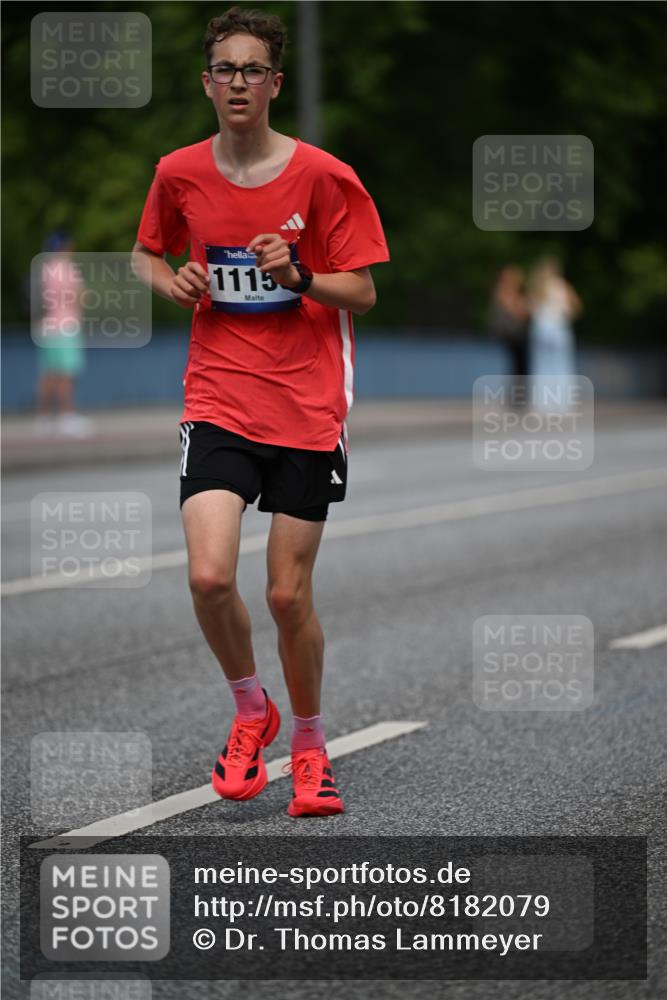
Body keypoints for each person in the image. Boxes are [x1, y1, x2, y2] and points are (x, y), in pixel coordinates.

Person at [132, 7, 389, 816]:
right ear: (206, 82)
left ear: (274, 84)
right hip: (217, 394)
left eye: (253, 70)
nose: (237, 82)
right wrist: (168, 279)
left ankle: (309, 746)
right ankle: (252, 710)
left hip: (308, 404)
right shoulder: (178, 172)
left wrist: (301, 275)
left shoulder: (321, 175)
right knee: (209, 576)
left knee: (285, 596)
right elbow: (146, 252)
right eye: (224, 69)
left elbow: (365, 290)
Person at [33, 231, 94, 438]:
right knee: (67, 373)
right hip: (67, 326)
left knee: (49, 373)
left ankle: (43, 418)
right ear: (65, 247)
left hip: (46, 326)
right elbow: (81, 297)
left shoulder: (45, 269)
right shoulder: (68, 269)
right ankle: (67, 416)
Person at [527, 256, 582, 383]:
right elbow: (577, 307)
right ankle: (563, 397)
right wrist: (567, 314)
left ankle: (542, 397)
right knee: (562, 363)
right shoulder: (563, 286)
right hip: (559, 327)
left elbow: (530, 309)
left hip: (541, 328)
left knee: (541, 364)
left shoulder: (537, 286)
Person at [489, 264, 530, 405]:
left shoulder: (507, 293)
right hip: (513, 335)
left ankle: (519, 396)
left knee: (520, 367)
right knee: (519, 367)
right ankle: (517, 397)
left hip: (516, 334)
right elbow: (519, 312)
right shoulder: (505, 293)